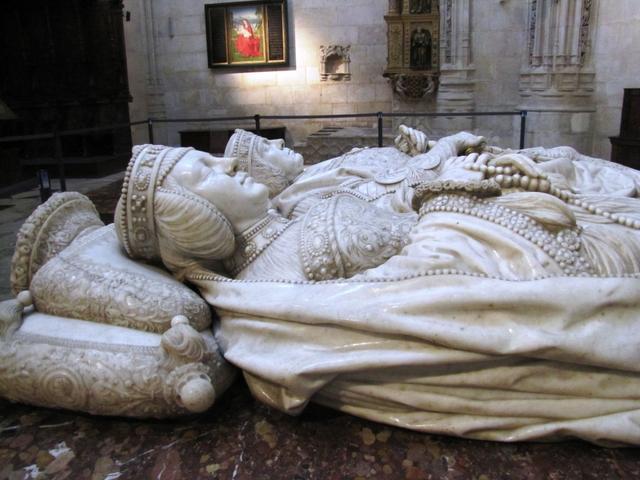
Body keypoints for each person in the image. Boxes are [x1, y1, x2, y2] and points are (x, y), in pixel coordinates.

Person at [114, 139, 640, 445]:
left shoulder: (293, 212)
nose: (227, 163)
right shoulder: (270, 283)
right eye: (206, 172)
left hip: (513, 230)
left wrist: (441, 174)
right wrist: (448, 192)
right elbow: (410, 293)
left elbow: (396, 215)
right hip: (517, 259)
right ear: (190, 216)